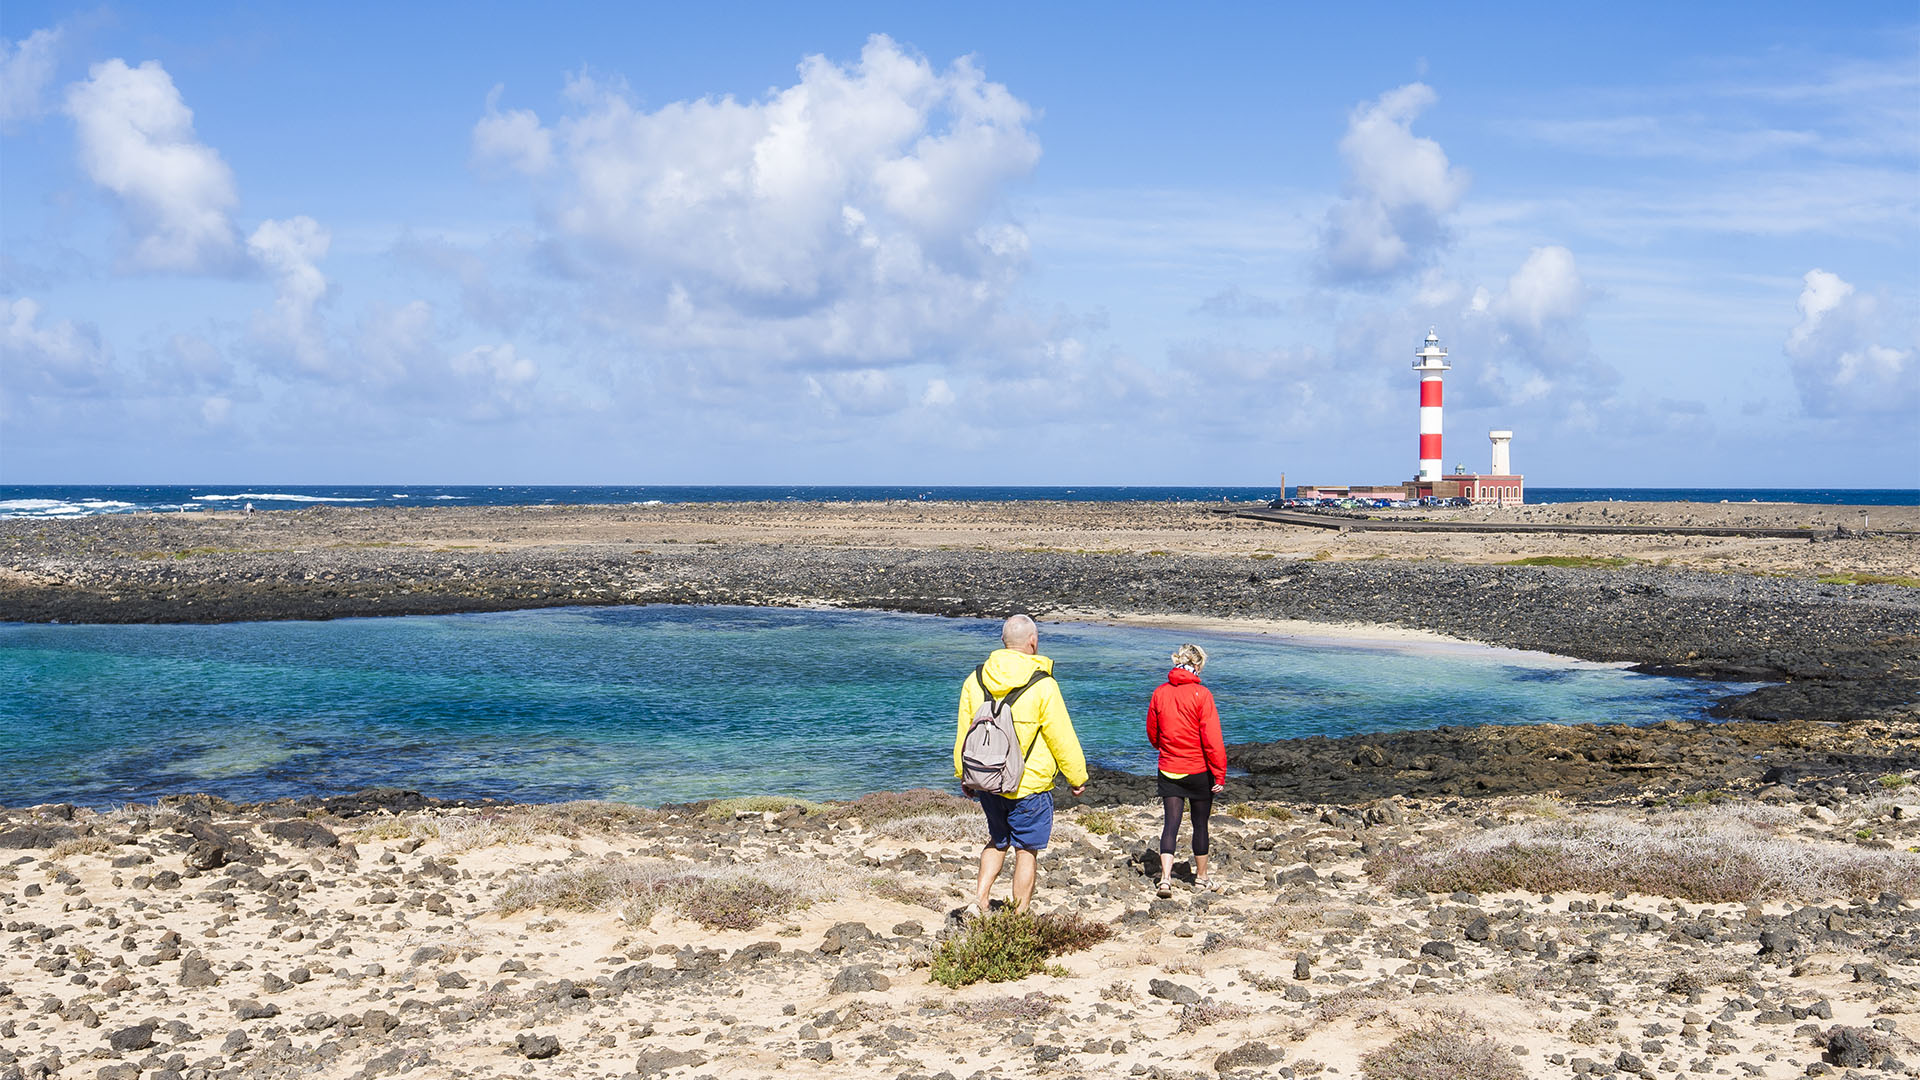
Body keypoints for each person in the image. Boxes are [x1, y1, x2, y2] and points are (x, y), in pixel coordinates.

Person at [954, 613, 1088, 915]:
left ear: (1003, 642)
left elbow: (964, 732)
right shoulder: (1043, 685)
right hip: (1030, 785)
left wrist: (964, 774)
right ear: (1033, 642)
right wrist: (1077, 776)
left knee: (997, 840)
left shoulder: (975, 679)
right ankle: (1020, 914)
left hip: (988, 779)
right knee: (1026, 849)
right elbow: (1061, 736)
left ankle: (980, 899)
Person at [1145, 643, 1226, 896]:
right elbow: (1212, 740)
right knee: (1200, 824)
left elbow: (1152, 732)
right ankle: (1201, 878)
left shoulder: (1160, 692)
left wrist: (1164, 746)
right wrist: (1220, 773)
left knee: (1171, 824)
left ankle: (1166, 879)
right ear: (1198, 665)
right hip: (1199, 770)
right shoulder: (1203, 695)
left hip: (1169, 767)